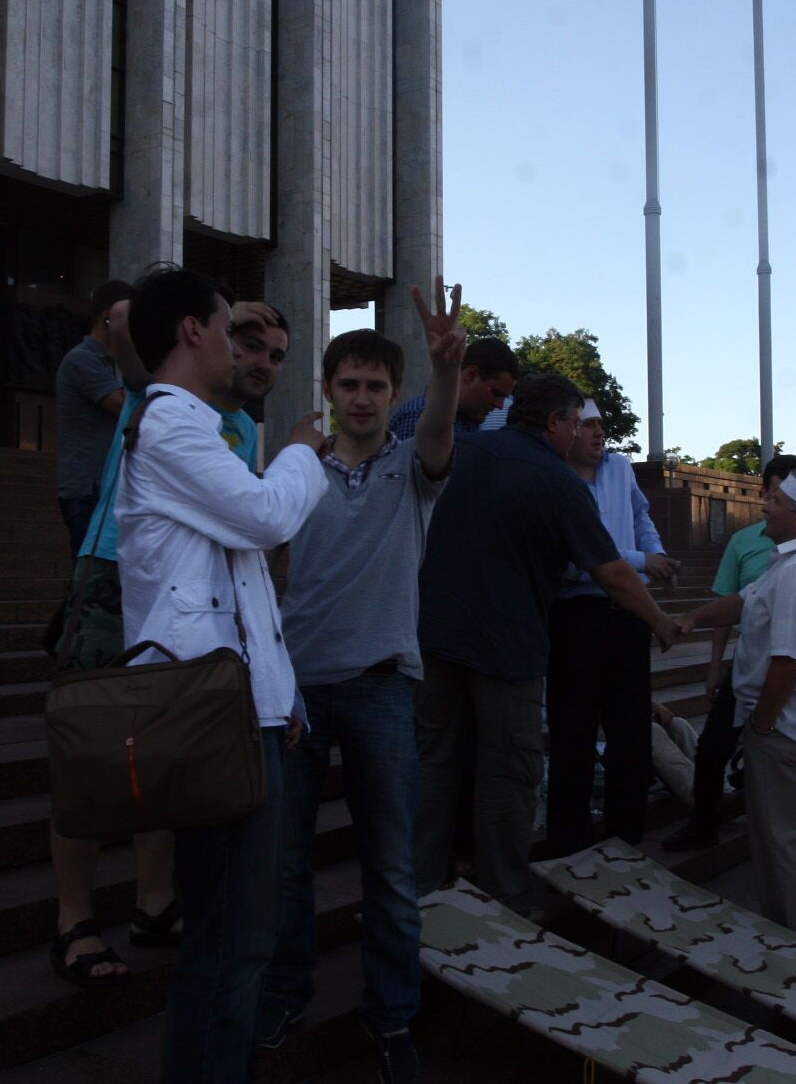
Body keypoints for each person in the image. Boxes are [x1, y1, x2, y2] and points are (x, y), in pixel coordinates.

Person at [115, 266, 330, 1082]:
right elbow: (267, 518)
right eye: (225, 325)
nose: (242, 349)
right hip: (212, 716)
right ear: (192, 333)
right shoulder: (170, 426)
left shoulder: (200, 430)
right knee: (232, 938)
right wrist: (305, 453)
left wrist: (285, 693)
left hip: (246, 709)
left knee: (241, 931)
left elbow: (239, 582)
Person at [259, 283, 466, 1082]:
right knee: (285, 862)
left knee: (389, 866)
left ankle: (392, 1017)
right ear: (328, 391)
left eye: (377, 386)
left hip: (381, 686)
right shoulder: (298, 470)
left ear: (393, 395)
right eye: (348, 384)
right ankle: (285, 991)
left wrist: (446, 370)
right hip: (298, 691)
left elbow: (442, 428)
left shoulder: (411, 471)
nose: (361, 398)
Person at [413, 373, 681, 915]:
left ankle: (418, 884)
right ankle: (504, 894)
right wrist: (660, 620)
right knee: (508, 770)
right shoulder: (556, 480)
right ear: (555, 422)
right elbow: (610, 569)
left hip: (435, 636)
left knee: (436, 762)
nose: (578, 433)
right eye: (574, 423)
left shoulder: (469, 449)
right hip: (507, 647)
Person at [678, 469, 796, 948]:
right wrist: (690, 619)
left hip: (790, 730)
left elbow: (788, 660)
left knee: (786, 849)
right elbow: (743, 601)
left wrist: (762, 722)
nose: (763, 507)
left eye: (773, 500)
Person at [544, 399, 678, 860]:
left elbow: (641, 515)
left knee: (630, 728)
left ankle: (627, 833)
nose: (599, 433)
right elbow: (582, 561)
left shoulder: (620, 469)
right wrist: (645, 561)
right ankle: (569, 840)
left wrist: (654, 549)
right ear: (564, 429)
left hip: (625, 615)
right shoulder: (556, 478)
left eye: (601, 424)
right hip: (576, 615)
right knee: (572, 732)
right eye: (587, 425)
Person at [663, 452, 796, 852]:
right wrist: (713, 667)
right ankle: (704, 823)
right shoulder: (746, 542)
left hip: (794, 671)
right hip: (750, 663)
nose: (785, 501)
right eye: (780, 493)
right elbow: (733, 603)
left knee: (779, 752)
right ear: (764, 494)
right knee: (712, 749)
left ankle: (782, 828)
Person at [54, 281, 131, 555]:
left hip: (106, 489)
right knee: (89, 578)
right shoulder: (82, 359)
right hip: (87, 489)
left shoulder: (116, 364)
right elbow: (123, 406)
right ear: (109, 316)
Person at [386, 335, 518, 440]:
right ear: (470, 376)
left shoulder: (468, 419)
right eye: (496, 393)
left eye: (505, 397)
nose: (500, 405)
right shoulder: (419, 416)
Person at [211, 300, 289, 469]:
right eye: (253, 347)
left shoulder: (249, 430)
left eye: (275, 358)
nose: (265, 365)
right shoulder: (171, 404)